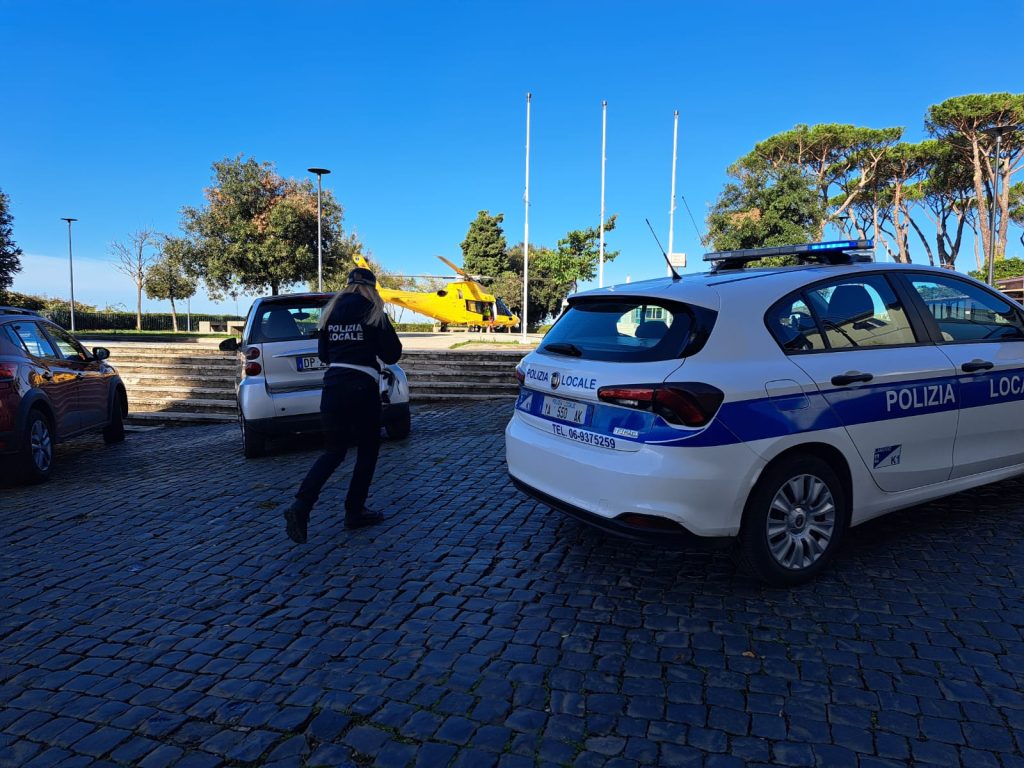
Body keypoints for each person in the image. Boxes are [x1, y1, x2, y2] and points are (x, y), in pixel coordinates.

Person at [284, 267, 402, 543]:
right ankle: (354, 510)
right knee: (367, 451)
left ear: (347, 286)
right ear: (371, 289)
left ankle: (301, 506)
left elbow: (323, 354)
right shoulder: (373, 312)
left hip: (333, 387)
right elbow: (392, 353)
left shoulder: (330, 313)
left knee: (333, 452)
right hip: (362, 387)